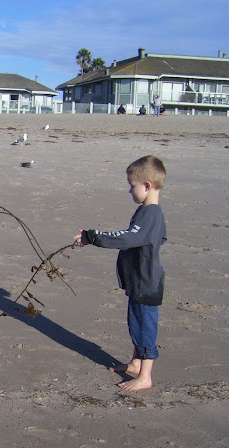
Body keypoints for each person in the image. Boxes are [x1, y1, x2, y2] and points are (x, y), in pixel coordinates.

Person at [74, 155, 167, 391]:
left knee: (145, 328)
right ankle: (136, 364)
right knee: (135, 324)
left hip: (147, 285)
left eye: (132, 186)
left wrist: (92, 236)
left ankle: (145, 376)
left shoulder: (150, 214)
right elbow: (158, 238)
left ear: (147, 186)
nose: (130, 191)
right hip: (139, 281)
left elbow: (128, 237)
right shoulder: (148, 213)